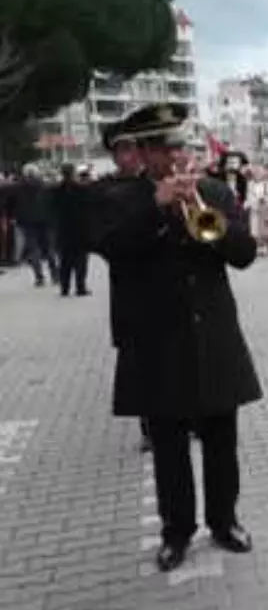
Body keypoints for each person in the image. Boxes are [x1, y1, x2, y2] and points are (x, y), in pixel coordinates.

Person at [87, 103, 261, 572]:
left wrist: (212, 227)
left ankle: (224, 521)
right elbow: (111, 249)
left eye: (179, 145)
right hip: (157, 342)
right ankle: (176, 532)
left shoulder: (214, 191)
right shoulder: (119, 199)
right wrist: (158, 208)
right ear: (142, 154)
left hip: (213, 337)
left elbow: (244, 254)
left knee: (222, 441)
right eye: (164, 148)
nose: (175, 155)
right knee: (168, 448)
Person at [93, 121, 155, 453]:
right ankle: (149, 425)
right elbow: (103, 242)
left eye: (134, 147)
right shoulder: (104, 192)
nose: (130, 156)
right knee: (140, 361)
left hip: (166, 289)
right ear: (115, 155)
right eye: (123, 149)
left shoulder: (157, 183)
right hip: (131, 290)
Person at [51, 164, 92, 297]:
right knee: (81, 260)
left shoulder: (56, 190)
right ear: (73, 173)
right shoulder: (81, 189)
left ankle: (65, 287)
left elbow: (52, 208)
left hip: (63, 229)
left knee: (65, 261)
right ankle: (80, 287)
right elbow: (88, 208)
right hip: (80, 229)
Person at [244, 165, 268, 256]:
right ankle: (258, 249)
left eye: (260, 173)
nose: (258, 174)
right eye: (256, 173)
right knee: (255, 231)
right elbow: (249, 196)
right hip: (255, 210)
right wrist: (251, 203)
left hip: (267, 210)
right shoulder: (250, 184)